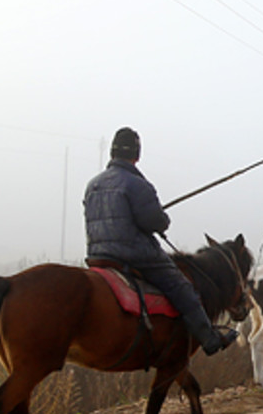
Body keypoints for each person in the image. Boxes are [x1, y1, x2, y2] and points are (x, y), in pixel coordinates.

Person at [83, 127, 237, 356]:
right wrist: (162, 218)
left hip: (97, 254)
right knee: (182, 286)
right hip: (133, 254)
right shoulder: (138, 185)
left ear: (112, 153)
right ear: (137, 155)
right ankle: (209, 338)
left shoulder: (92, 184)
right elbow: (154, 222)